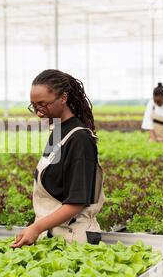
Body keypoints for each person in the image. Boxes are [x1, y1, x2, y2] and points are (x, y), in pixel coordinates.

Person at [11, 69, 105, 248]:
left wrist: (36, 228)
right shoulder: (59, 132)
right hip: (54, 235)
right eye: (34, 106)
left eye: (43, 105)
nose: (39, 113)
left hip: (73, 239)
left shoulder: (79, 139)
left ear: (63, 98)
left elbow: (76, 203)